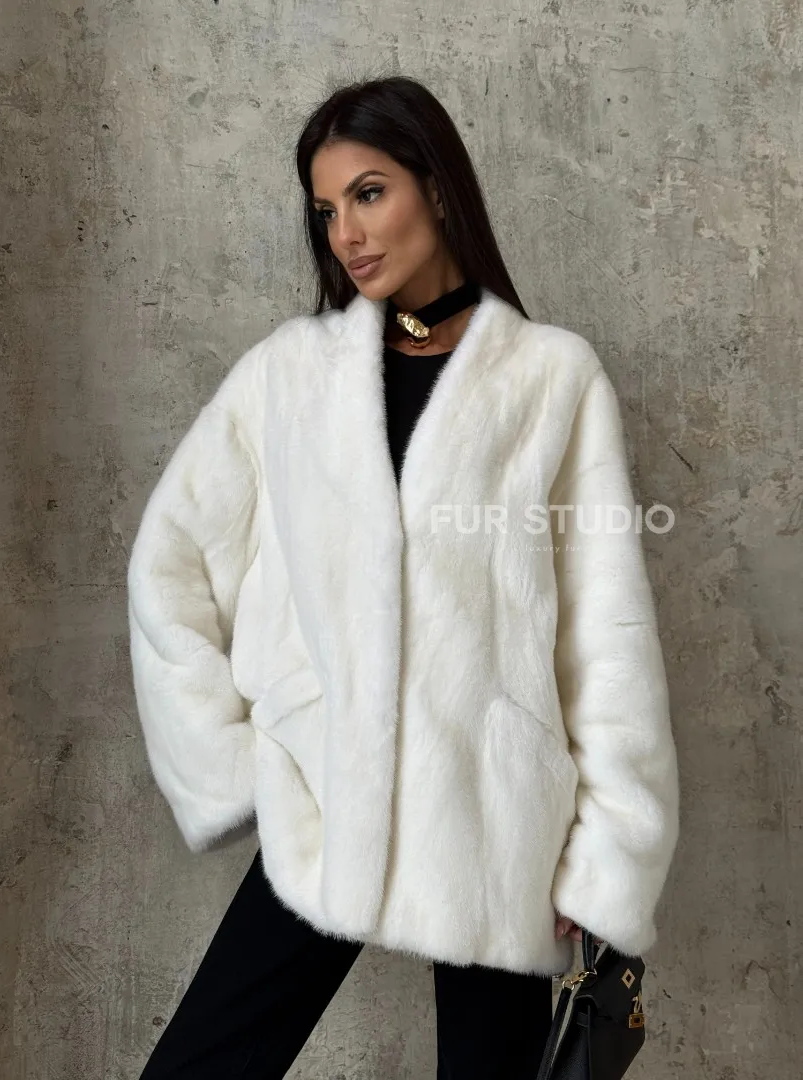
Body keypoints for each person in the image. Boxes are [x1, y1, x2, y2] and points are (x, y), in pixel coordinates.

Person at [128, 75, 681, 1078]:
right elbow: (170, 564)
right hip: (327, 795)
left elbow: (601, 635)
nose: (346, 232)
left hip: (494, 820)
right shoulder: (288, 375)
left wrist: (599, 858)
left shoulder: (550, 378)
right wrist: (242, 762)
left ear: (434, 184)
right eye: (325, 210)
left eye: (368, 193)